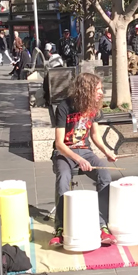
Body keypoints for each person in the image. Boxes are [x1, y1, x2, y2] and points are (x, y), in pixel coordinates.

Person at [50, 73, 117, 247]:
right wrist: (78, 159)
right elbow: (59, 143)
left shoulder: (93, 108)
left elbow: (95, 136)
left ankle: (102, 225)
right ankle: (60, 228)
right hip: (65, 152)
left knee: (105, 176)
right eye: (98, 89)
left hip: (85, 151)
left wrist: (107, 152)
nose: (102, 92)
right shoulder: (64, 107)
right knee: (63, 178)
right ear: (86, 90)